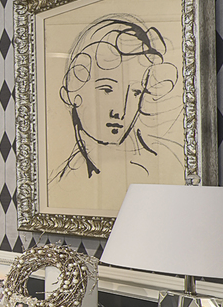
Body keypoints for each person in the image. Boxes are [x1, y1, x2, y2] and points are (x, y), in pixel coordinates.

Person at [50, 15, 181, 193]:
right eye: (107, 89)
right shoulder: (57, 184)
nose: (121, 110)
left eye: (136, 92)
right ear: (71, 94)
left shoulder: (169, 164)